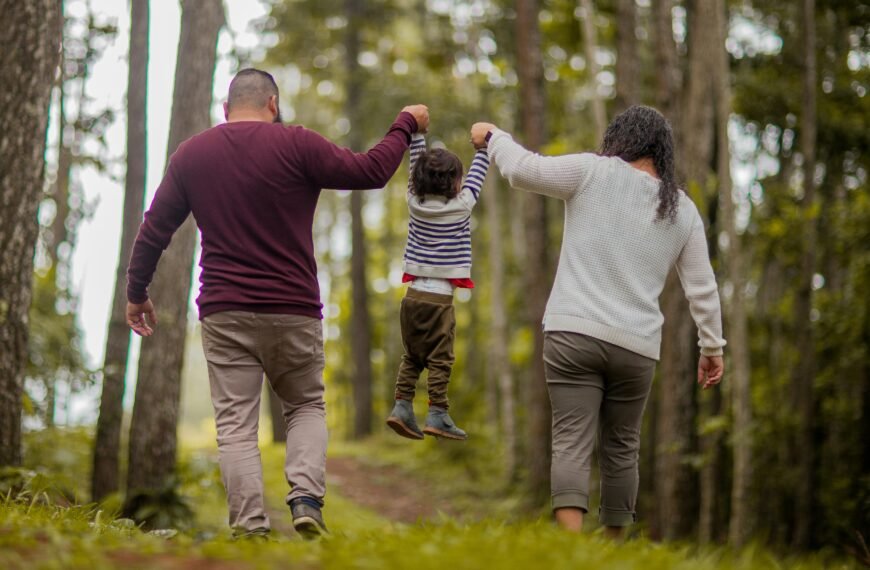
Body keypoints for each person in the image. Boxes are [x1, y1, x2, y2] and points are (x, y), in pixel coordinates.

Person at [125, 68, 429, 539]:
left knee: (235, 426)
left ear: (226, 110)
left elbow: (155, 229)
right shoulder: (297, 143)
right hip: (293, 307)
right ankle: (306, 499)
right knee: (306, 404)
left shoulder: (193, 154)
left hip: (224, 311)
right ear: (273, 103)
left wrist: (136, 292)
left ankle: (249, 528)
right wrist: (405, 124)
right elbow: (371, 171)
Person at [470, 106, 726, 539]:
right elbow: (702, 287)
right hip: (637, 347)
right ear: (662, 152)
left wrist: (494, 135)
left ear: (619, 139)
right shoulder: (682, 209)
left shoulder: (592, 171)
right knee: (623, 449)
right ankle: (611, 550)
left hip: (573, 334)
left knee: (572, 439)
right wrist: (712, 348)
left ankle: (571, 549)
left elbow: (522, 170)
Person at [385, 130, 490, 441]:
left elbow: (414, 163)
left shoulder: (413, 203)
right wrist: (483, 147)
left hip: (412, 297)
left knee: (412, 356)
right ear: (455, 183)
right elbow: (478, 173)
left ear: (418, 181)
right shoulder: (462, 205)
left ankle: (402, 405)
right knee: (440, 359)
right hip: (440, 300)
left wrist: (417, 134)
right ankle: (437, 413)